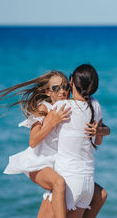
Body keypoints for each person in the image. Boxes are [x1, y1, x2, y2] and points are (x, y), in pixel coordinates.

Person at [0, 70, 109, 218]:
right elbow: (33, 142)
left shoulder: (68, 108)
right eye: (56, 88)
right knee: (59, 183)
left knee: (100, 193)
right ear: (48, 91)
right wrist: (53, 121)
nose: (62, 91)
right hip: (38, 162)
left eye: (65, 87)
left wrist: (102, 130)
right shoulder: (44, 108)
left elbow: (96, 124)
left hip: (55, 162)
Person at [43, 64, 103, 217]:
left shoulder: (62, 106)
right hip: (87, 185)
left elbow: (41, 135)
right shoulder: (96, 106)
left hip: (67, 180)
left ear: (71, 82)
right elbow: (99, 141)